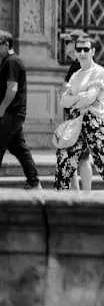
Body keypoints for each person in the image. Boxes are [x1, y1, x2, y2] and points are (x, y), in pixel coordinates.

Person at [54, 35, 104, 192]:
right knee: (64, 162)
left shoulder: (98, 72)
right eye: (79, 49)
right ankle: (59, 204)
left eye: (86, 49)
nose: (82, 53)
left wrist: (74, 100)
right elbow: (63, 101)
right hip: (76, 122)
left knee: (103, 165)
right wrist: (78, 98)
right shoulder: (75, 75)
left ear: (93, 51)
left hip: (94, 123)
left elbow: (89, 98)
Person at [0, 31, 40, 190]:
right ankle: (34, 181)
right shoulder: (7, 61)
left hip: (11, 113)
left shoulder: (12, 62)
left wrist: (1, 109)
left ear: (5, 45)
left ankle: (34, 181)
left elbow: (12, 88)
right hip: (13, 114)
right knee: (19, 148)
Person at [61, 29, 93, 191]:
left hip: (78, 117)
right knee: (79, 156)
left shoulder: (79, 66)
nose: (65, 45)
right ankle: (80, 193)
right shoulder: (79, 65)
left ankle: (80, 194)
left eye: (67, 42)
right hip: (79, 116)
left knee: (77, 156)